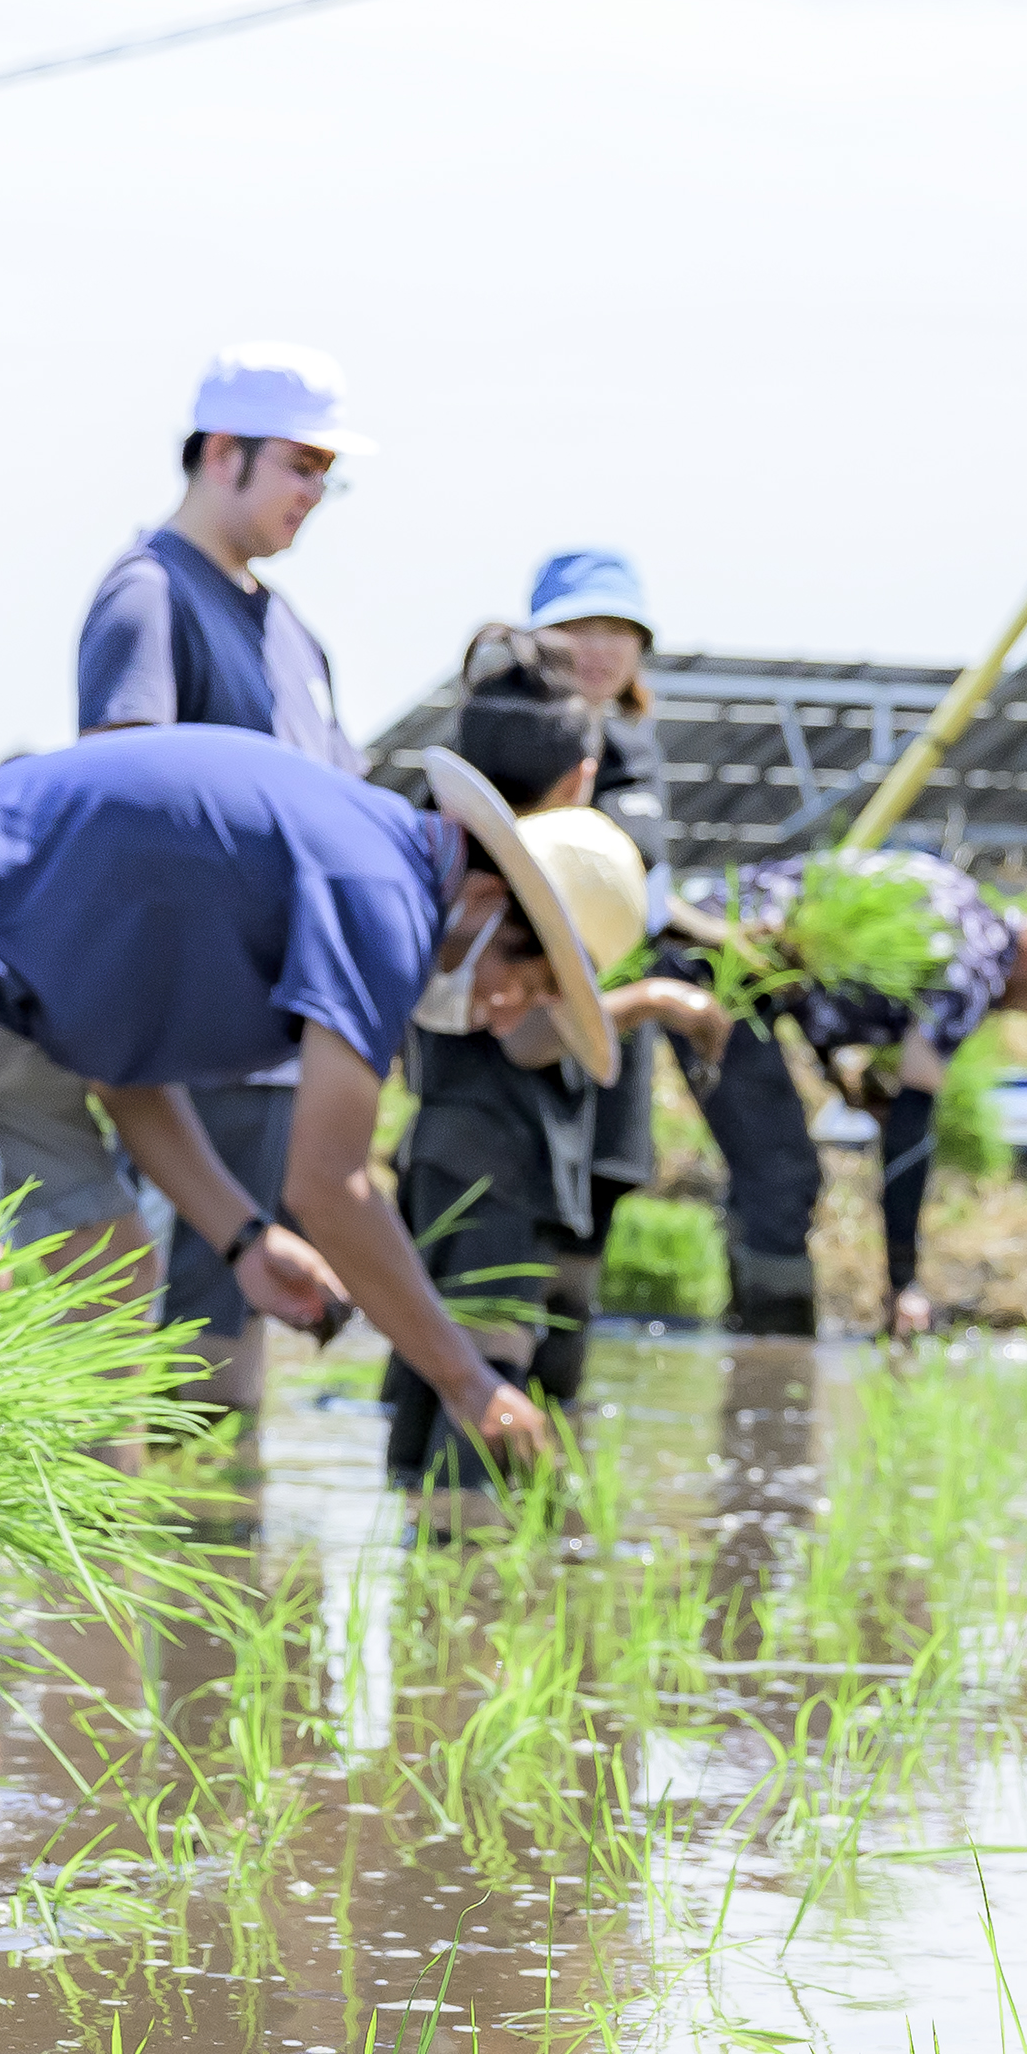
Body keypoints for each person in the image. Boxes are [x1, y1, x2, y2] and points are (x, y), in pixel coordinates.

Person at [0, 723, 606, 1476]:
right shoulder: (381, 897)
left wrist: (244, 1239)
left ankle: (86, 1569)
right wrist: (467, 1382)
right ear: (483, 897)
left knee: (109, 1266)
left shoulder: (363, 865)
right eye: (526, 982)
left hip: (18, 1007)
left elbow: (126, 1076)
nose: (508, 1014)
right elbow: (329, 1188)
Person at [73, 341, 367, 1429]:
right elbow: (119, 804)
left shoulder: (293, 634)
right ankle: (155, 1577)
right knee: (166, 1352)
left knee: (237, 1340)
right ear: (219, 453)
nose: (313, 495)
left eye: (325, 474)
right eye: (298, 465)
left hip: (277, 1040)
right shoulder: (147, 596)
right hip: (183, 1039)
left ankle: (217, 1567)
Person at [375, 632, 688, 1488]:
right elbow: (520, 1036)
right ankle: (465, 1591)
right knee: (488, 1373)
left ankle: (413, 1589)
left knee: (430, 1377)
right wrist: (655, 999)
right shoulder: (528, 899)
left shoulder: (433, 871)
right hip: (499, 1155)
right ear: (579, 782)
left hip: (440, 1144)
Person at [672, 854, 1027, 1338]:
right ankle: (772, 1360)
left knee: (768, 1173)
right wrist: (903, 1283)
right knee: (782, 1176)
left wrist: (839, 1072)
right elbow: (911, 1129)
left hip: (697, 933)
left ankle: (747, 1339)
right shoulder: (971, 970)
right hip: (713, 964)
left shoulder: (958, 902)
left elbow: (814, 976)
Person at [521, 550, 672, 1324]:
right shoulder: (508, 738)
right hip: (524, 1015)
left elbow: (649, 895)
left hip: (618, 1011)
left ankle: (561, 1426)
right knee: (504, 1250)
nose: (600, 647)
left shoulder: (638, 749)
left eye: (619, 629)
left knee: (586, 1230)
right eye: (578, 626)